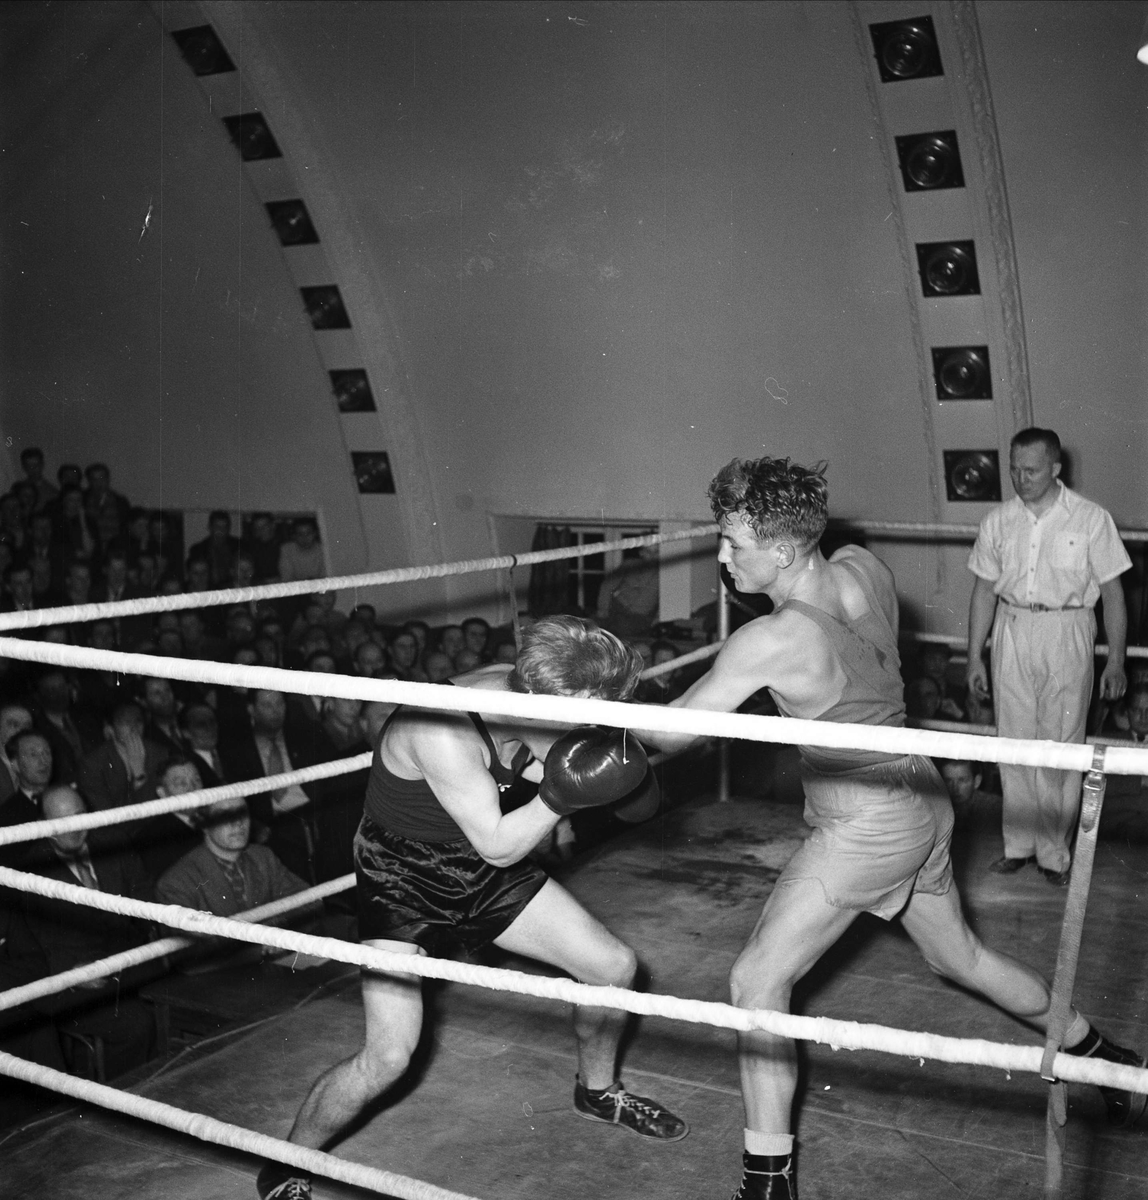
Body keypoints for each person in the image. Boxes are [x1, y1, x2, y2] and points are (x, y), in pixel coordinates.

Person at [636, 456, 1143, 1200]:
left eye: (731, 545)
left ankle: (767, 1183)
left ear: (779, 550)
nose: (721, 558)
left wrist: (588, 709)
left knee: (755, 981)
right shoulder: (863, 567)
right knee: (960, 958)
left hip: (867, 821)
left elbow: (672, 736)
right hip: (924, 794)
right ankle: (1108, 1062)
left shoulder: (770, 641)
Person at [253, 614, 687, 1200]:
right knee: (388, 1056)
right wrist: (564, 792)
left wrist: (606, 780)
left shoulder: (541, 694)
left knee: (613, 969)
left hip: (479, 860)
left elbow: (522, 789)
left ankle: (597, 1091)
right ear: (549, 699)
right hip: (402, 874)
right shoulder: (442, 725)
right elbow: (503, 843)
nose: (597, 727)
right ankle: (285, 1162)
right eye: (593, 717)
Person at [966, 428, 1131, 886]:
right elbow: (982, 592)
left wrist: (1116, 660)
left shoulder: (1091, 519)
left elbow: (1114, 596)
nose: (1020, 478)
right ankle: (1017, 847)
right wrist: (974, 656)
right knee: (1013, 745)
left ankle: (1054, 855)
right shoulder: (998, 522)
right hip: (1012, 627)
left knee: (1060, 745)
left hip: (1068, 629)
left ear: (1056, 468)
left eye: (1032, 470)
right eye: (1014, 469)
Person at [157, 798, 309, 919]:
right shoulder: (176, 881)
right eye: (225, 816)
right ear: (204, 824)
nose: (238, 823)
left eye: (242, 813)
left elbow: (308, 900)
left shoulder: (263, 857)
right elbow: (195, 946)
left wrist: (274, 931)